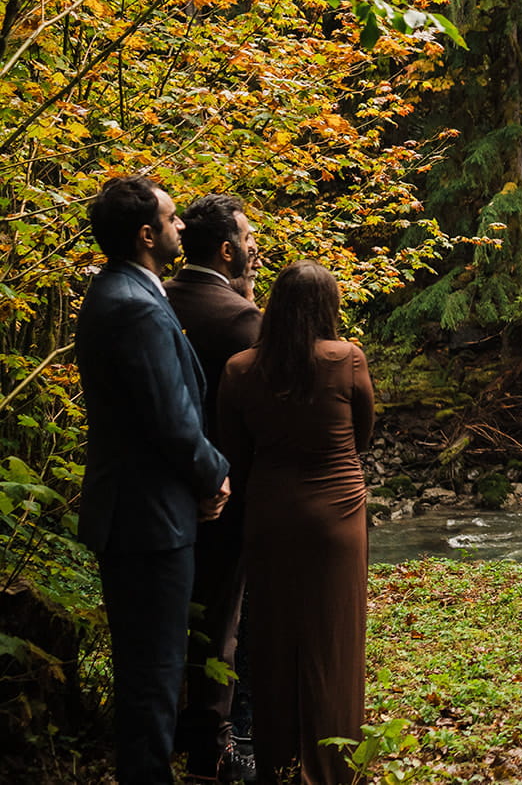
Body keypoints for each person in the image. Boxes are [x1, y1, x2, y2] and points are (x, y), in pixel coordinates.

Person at [75, 176, 231, 785]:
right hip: (148, 522)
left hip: (138, 514)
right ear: (147, 235)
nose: (183, 227)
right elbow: (169, 418)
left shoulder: (119, 290)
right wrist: (214, 473)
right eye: (173, 219)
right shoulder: (135, 306)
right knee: (154, 677)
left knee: (149, 673)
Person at [217, 262, 373, 785]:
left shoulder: (241, 369)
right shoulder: (346, 358)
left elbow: (233, 452)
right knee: (334, 639)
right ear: (327, 307)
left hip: (270, 512)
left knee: (274, 639)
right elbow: (364, 432)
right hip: (337, 514)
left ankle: (279, 763)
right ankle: (333, 766)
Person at [166, 194, 261, 783]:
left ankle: (180, 727)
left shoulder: (161, 299)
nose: (256, 245)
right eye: (249, 237)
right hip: (229, 487)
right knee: (223, 621)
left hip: (167, 487)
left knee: (180, 612)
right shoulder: (241, 321)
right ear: (227, 250)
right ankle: (217, 745)